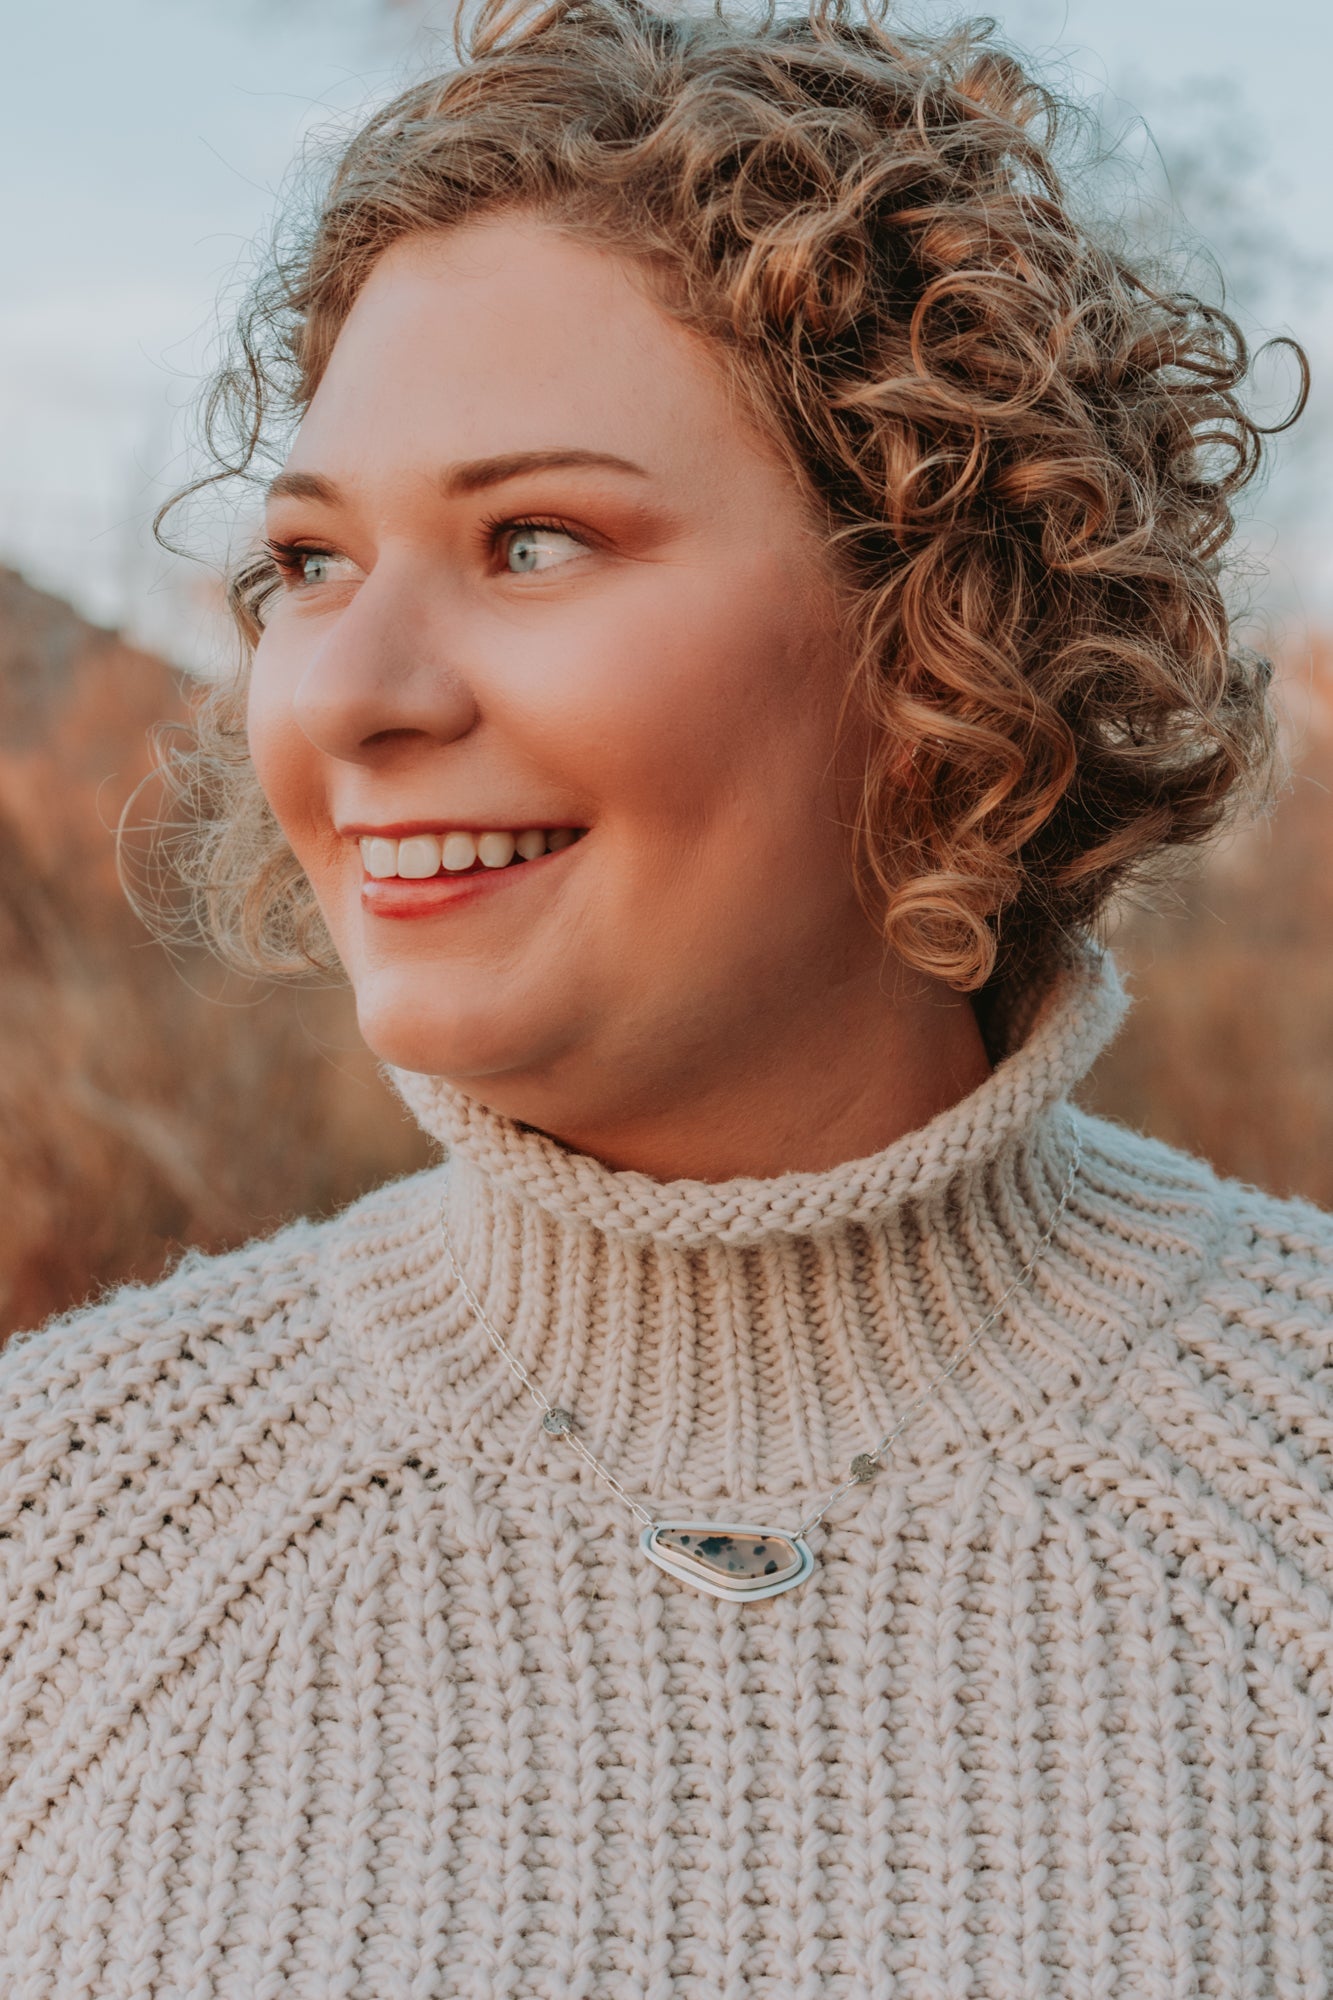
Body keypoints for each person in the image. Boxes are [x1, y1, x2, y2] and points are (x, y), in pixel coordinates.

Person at [1, 0, 1325, 1991]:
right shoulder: (61, 1528)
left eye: (531, 540)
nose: (349, 695)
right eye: (311, 563)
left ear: (942, 630)